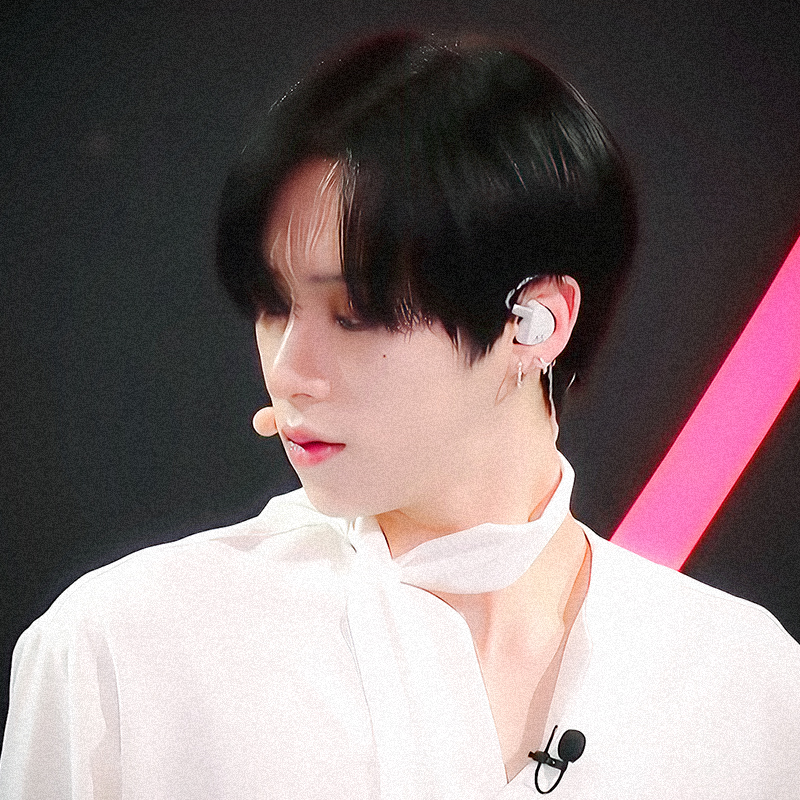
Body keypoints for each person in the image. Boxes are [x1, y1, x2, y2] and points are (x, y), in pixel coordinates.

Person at [2, 31, 799, 800]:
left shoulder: (746, 688)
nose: (289, 371)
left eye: (355, 314)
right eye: (273, 305)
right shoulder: (122, 655)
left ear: (534, 323)